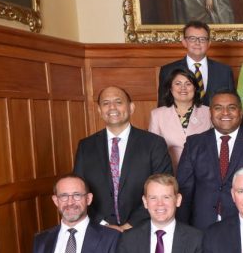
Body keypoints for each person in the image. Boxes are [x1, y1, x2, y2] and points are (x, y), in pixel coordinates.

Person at [176, 89, 243, 230]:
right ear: (211, 113)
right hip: (201, 227)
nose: (225, 113)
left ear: (240, 112)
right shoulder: (194, 144)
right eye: (218, 108)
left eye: (231, 108)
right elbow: (184, 191)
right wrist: (183, 229)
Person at [74, 86, 173, 232]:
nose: (112, 107)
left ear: (131, 108)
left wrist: (129, 225)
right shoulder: (85, 146)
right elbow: (78, 190)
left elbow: (164, 188)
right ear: (99, 111)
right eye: (106, 103)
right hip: (99, 230)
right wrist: (103, 224)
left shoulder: (154, 144)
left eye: (118, 102)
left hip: (144, 228)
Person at [157, 21, 235, 107]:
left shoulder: (224, 71)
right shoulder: (168, 70)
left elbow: (232, 103)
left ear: (209, 43)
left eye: (202, 39)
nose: (197, 43)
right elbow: (163, 105)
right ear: (184, 42)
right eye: (192, 38)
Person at [149, 68, 212, 170]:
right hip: (169, 173)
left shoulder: (208, 112)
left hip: (203, 172)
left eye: (188, 84)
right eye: (178, 83)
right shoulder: (157, 115)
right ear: (170, 88)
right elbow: (152, 150)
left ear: (195, 88)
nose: (183, 88)